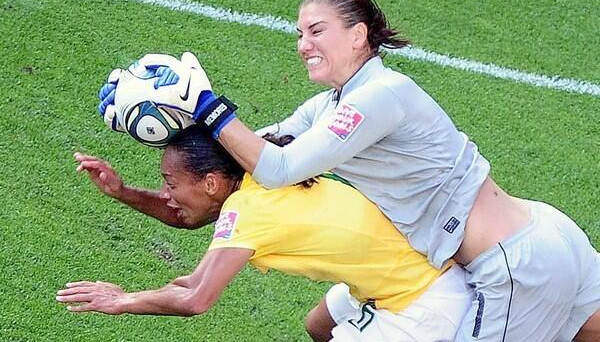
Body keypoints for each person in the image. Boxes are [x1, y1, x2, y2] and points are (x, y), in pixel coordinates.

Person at [99, 0, 600, 342]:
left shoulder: (379, 97)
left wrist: (205, 103)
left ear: (359, 35)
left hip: (511, 262)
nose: (303, 44)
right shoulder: (332, 106)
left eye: (316, 30)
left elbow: (274, 170)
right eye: (299, 33)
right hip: (540, 232)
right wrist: (179, 120)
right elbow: (256, 151)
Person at [57, 126, 473, 341]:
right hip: (405, 278)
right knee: (320, 326)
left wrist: (122, 300)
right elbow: (190, 218)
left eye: (170, 181)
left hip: (424, 301)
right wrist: (123, 192)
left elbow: (196, 296)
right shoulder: (258, 175)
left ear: (211, 184)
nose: (167, 192)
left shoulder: (251, 211)